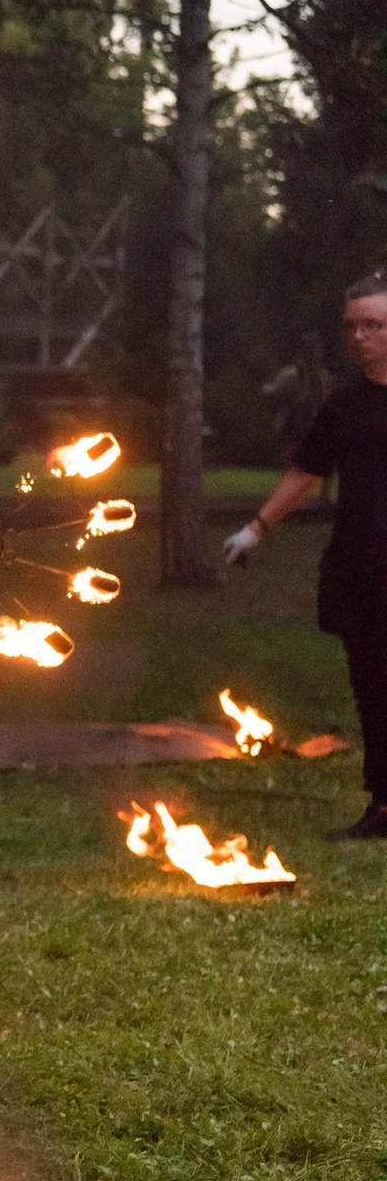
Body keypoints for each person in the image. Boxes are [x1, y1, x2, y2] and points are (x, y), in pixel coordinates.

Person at [224, 272, 387, 838]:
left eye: (373, 325)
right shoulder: (344, 404)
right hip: (362, 568)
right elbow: (307, 471)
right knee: (372, 686)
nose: (360, 336)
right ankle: (384, 805)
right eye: (353, 327)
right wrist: (256, 528)